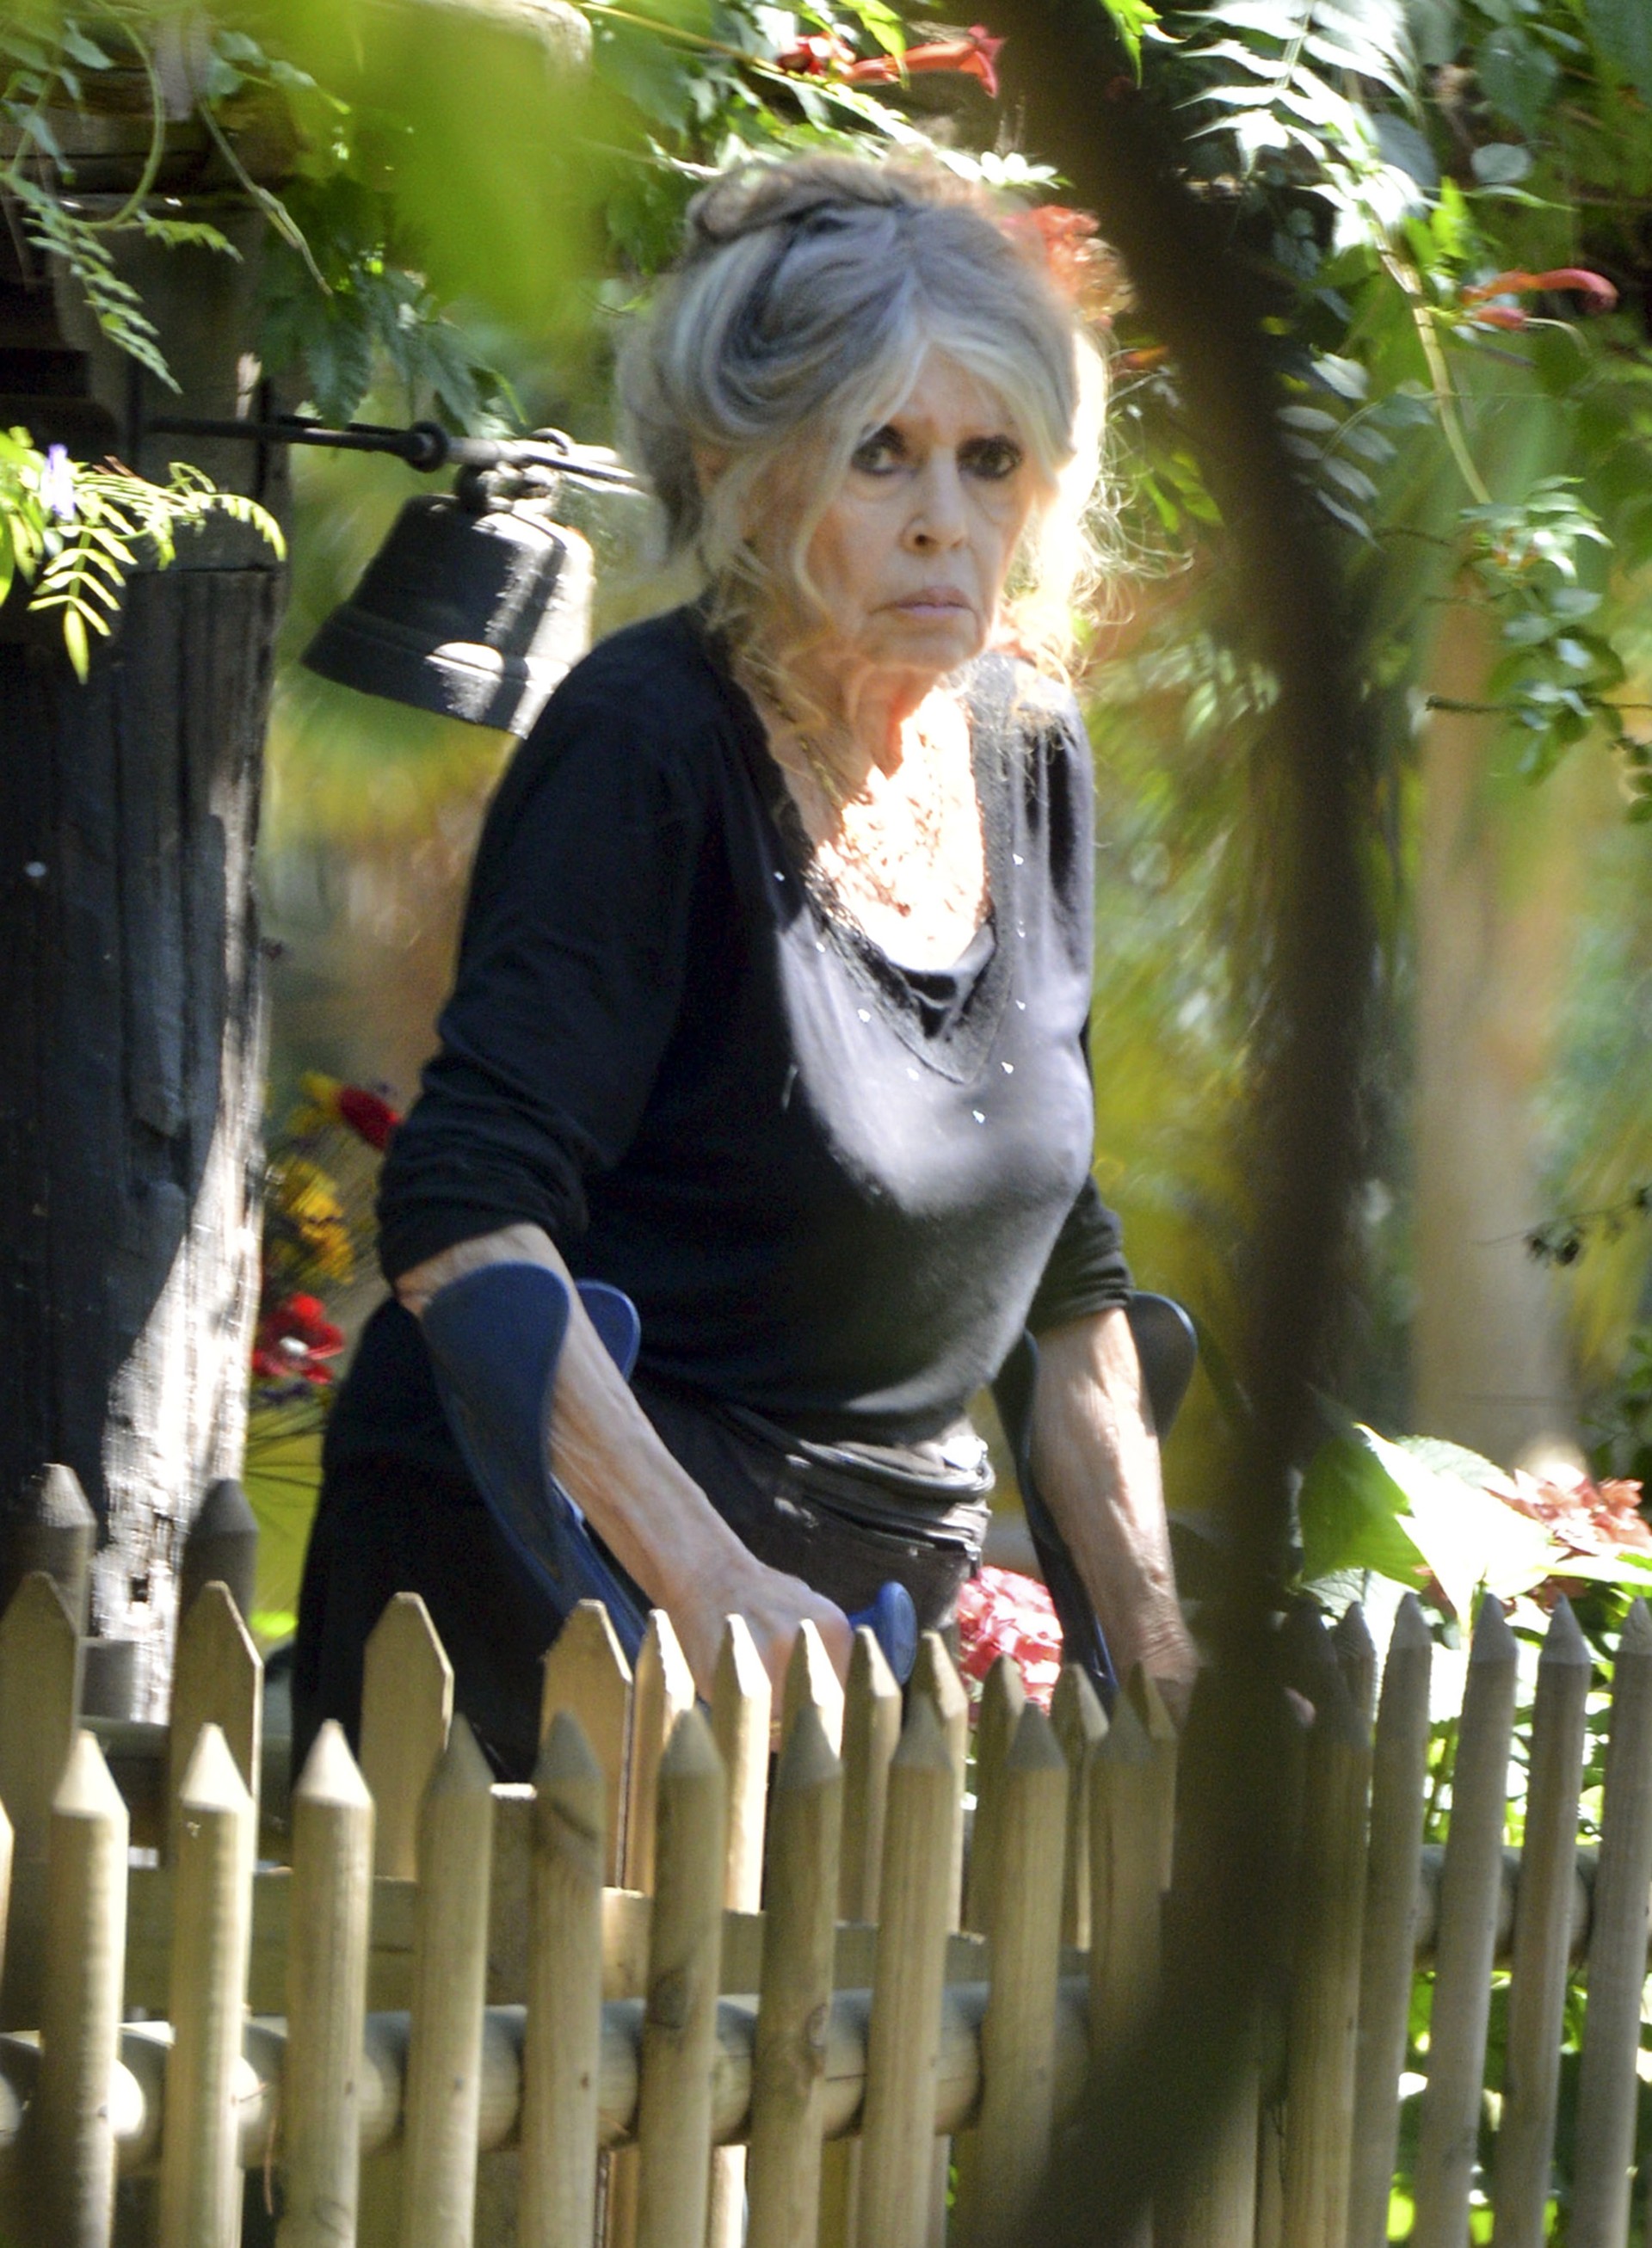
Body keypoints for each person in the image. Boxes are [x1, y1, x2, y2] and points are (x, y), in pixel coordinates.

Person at [292, 153, 1197, 1778]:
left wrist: (1160, 1652)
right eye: (880, 453)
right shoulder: (646, 741)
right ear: (745, 475)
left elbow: (1063, 1265)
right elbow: (464, 1209)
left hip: (851, 1636)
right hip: (553, 1609)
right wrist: (702, 1579)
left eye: (990, 459)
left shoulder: (1027, 743)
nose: (943, 519)